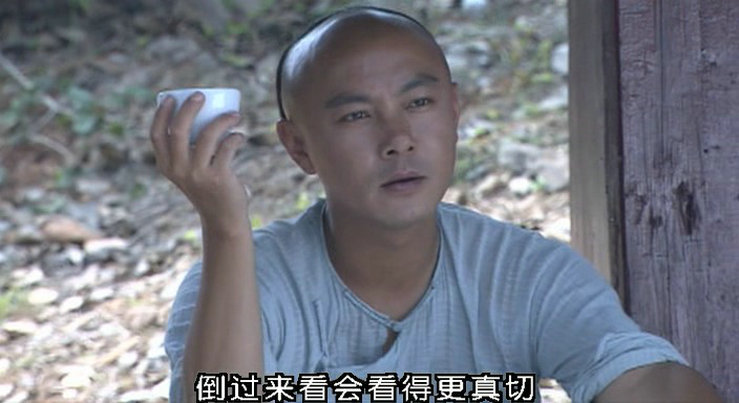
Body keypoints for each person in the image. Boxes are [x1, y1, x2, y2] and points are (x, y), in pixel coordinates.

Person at [151, 6, 723, 403]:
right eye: (356, 115)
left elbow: (642, 378)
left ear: (453, 111)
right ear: (299, 146)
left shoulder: (521, 273)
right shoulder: (239, 282)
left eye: (419, 103)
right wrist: (225, 228)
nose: (397, 138)